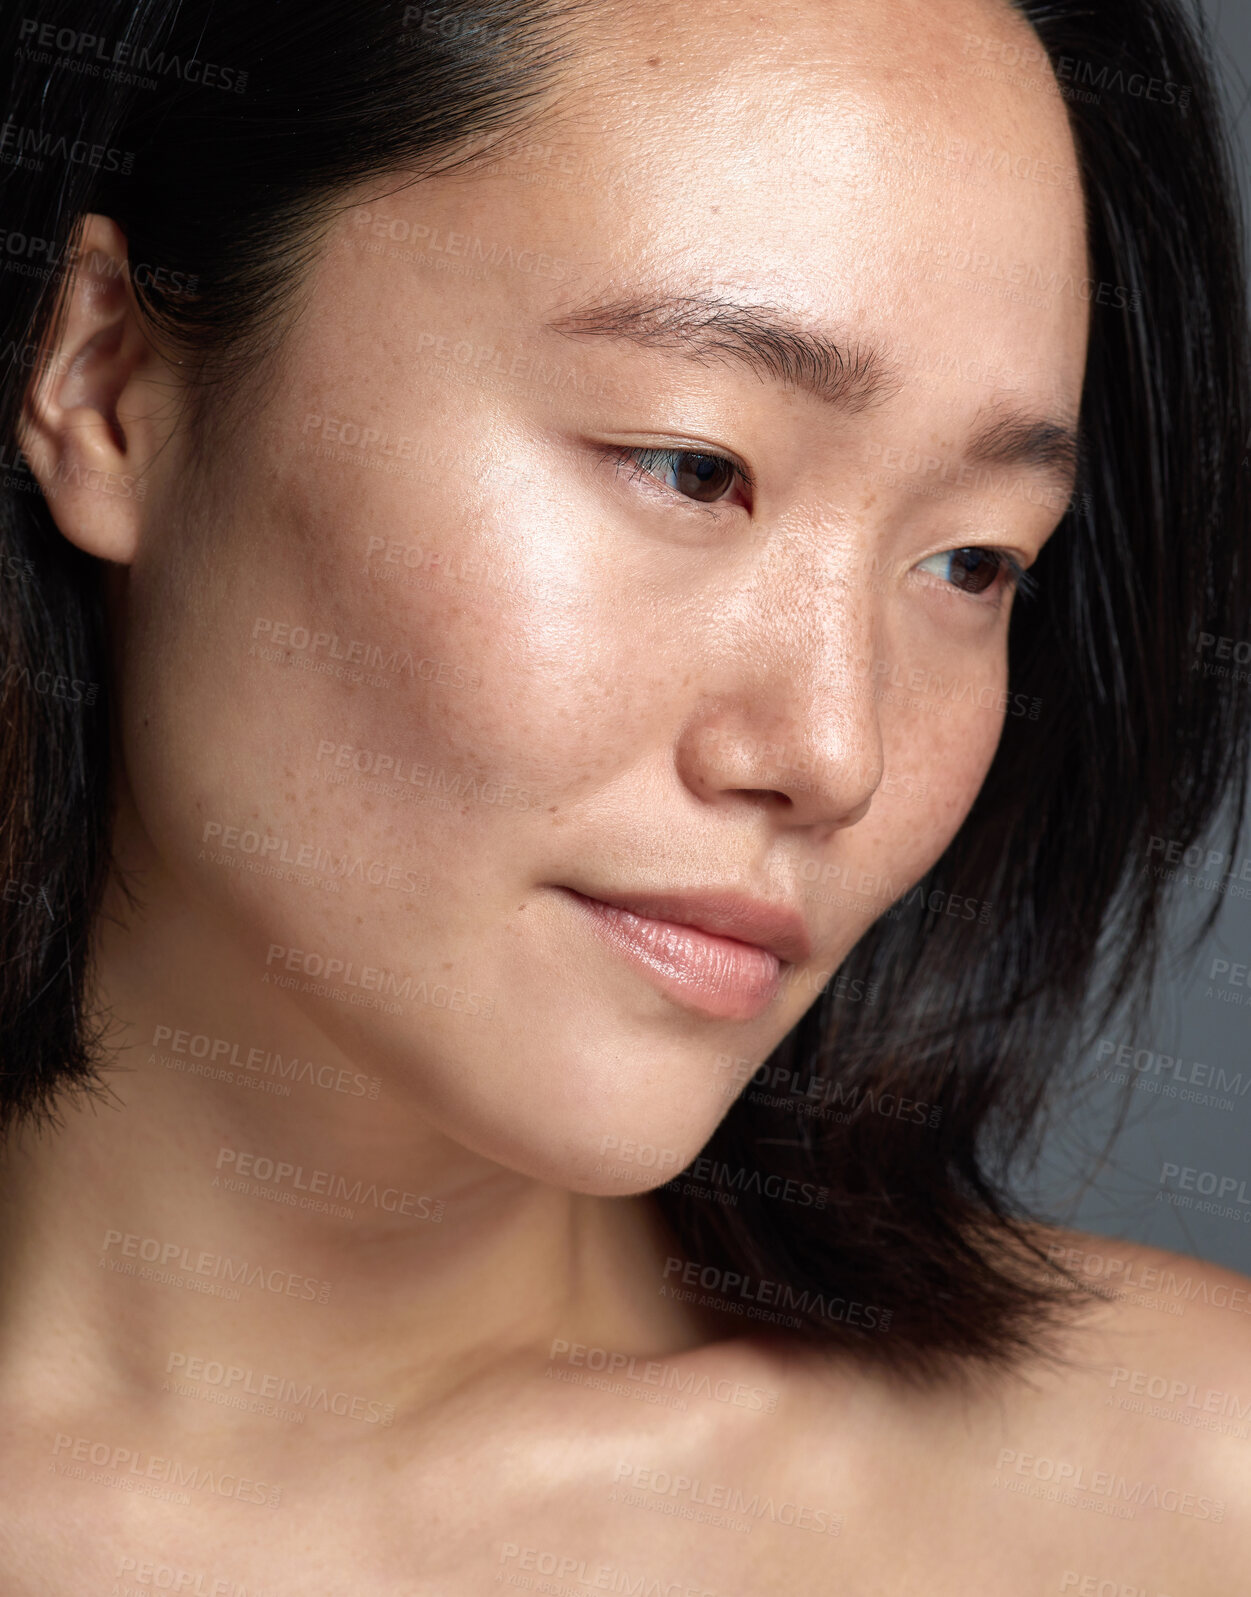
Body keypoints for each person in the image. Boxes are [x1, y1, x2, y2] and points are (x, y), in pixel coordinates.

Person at [1, 0, 1249, 1589]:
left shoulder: (1186, 1500)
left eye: (972, 560)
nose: (836, 749)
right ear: (108, 381)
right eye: (688, 465)